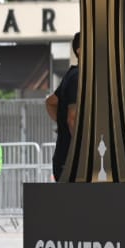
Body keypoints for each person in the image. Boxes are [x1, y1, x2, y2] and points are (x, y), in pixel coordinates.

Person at [46, 32, 80, 180]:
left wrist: (61, 123)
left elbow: (51, 102)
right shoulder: (78, 76)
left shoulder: (72, 74)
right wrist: (82, 150)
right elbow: (72, 118)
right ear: (80, 50)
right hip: (71, 161)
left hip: (64, 158)